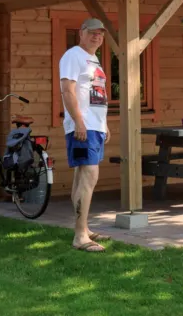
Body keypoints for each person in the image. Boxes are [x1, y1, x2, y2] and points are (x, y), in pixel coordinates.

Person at [60, 18, 111, 252]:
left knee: (84, 177)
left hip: (95, 126)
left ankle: (83, 227)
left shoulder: (94, 59)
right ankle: (80, 235)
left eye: (100, 33)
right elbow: (67, 91)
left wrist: (104, 123)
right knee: (89, 175)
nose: (97, 36)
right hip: (83, 126)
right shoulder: (73, 56)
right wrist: (79, 121)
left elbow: (95, 93)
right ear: (81, 32)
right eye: (92, 32)